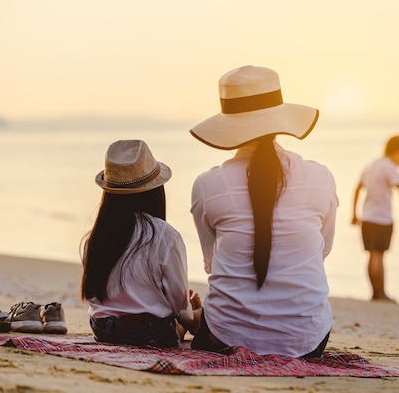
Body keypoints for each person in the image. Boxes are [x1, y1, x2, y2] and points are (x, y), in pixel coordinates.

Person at [189, 65, 338, 358]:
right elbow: (322, 252)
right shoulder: (321, 177)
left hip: (226, 334)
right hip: (307, 339)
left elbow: (211, 263)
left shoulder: (208, 185)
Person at [81, 139, 201, 347]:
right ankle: (179, 330)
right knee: (201, 316)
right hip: (146, 330)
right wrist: (192, 314)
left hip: (101, 328)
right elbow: (178, 306)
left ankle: (178, 326)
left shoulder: (94, 238)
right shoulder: (165, 235)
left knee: (181, 315)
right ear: (155, 190)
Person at [351, 135, 399, 302]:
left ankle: (374, 293)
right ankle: (381, 293)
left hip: (367, 217)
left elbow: (357, 189)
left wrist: (354, 214)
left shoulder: (370, 166)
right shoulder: (390, 168)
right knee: (379, 256)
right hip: (382, 219)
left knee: (372, 255)